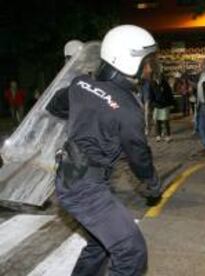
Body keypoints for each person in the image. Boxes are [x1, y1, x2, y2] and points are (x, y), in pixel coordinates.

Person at [46, 25, 162, 275]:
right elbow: (139, 156)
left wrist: (87, 110)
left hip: (68, 176)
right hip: (84, 188)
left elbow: (55, 105)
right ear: (127, 60)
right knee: (132, 251)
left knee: (100, 245)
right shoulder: (129, 109)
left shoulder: (81, 85)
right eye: (147, 62)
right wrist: (152, 183)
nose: (150, 69)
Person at [150, 70, 175, 142]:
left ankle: (168, 136)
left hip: (165, 105)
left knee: (165, 121)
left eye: (158, 76)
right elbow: (151, 95)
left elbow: (170, 94)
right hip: (157, 105)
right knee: (157, 121)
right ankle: (158, 135)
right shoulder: (152, 84)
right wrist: (153, 104)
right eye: (155, 76)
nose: (157, 77)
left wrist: (172, 104)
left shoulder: (165, 84)